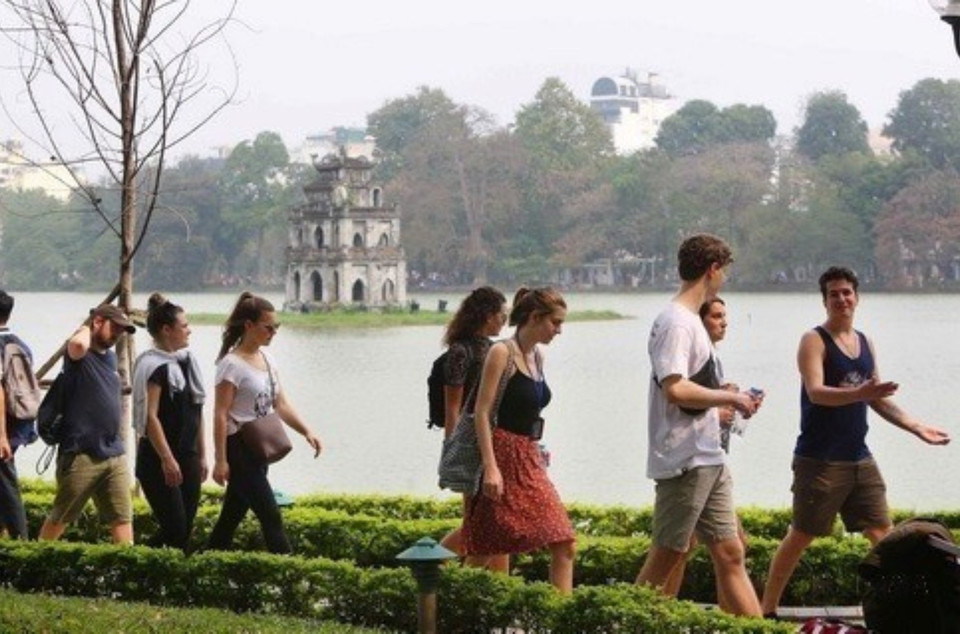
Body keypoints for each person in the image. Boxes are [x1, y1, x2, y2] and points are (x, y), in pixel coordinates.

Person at [760, 266, 951, 617]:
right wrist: (860, 391)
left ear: (857, 297)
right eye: (834, 294)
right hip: (819, 459)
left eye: (847, 292)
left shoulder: (865, 342)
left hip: (859, 457)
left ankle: (907, 613)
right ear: (825, 300)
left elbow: (875, 397)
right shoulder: (814, 340)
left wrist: (916, 427)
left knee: (885, 537)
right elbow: (817, 393)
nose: (842, 299)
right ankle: (767, 610)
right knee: (802, 534)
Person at [636, 234, 763, 617]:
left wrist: (726, 394)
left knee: (730, 551)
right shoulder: (677, 323)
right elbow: (675, 388)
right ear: (713, 269)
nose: (723, 278)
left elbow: (692, 384)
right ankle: (628, 622)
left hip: (709, 455)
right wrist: (732, 399)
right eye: (723, 270)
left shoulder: (690, 321)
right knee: (669, 551)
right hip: (684, 457)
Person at [462, 287, 576, 593]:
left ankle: (560, 618)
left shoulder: (537, 356)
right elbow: (482, 413)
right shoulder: (502, 353)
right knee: (485, 546)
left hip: (527, 454)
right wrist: (490, 467)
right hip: (501, 452)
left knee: (563, 539)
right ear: (535, 318)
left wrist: (536, 448)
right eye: (555, 323)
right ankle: (450, 611)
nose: (559, 330)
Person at [208, 292, 322, 554]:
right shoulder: (231, 365)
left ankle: (201, 567)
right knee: (271, 517)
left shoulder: (268, 360)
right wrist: (221, 460)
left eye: (277, 327)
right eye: (268, 327)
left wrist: (307, 431)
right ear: (249, 326)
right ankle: (289, 577)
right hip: (238, 447)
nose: (273, 332)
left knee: (230, 518)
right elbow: (220, 414)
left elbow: (280, 404)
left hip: (259, 448)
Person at [661, 295, 753, 601]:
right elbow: (679, 401)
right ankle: (654, 616)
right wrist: (724, 404)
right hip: (691, 460)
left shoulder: (710, 357)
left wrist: (730, 400)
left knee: (731, 549)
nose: (723, 322)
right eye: (715, 316)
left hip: (712, 459)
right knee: (676, 551)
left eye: (724, 316)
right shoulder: (685, 349)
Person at [39, 303, 137, 544]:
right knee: (60, 517)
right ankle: (31, 565)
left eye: (122, 330)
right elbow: (78, 344)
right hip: (81, 452)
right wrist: (89, 322)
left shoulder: (111, 359)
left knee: (123, 518)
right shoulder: (77, 357)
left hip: (113, 453)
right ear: (97, 322)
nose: (118, 334)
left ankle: (130, 570)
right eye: (114, 327)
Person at [437, 286, 510, 572]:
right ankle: (429, 565)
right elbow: (452, 406)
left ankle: (499, 587)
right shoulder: (461, 351)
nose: (503, 320)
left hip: (497, 441)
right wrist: (453, 450)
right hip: (470, 444)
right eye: (500, 314)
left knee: (498, 521)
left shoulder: (497, 348)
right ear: (486, 315)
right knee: (475, 523)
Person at [132, 293, 206, 550]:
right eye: (184, 326)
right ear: (166, 330)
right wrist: (167, 458)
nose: (189, 331)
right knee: (174, 528)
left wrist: (203, 455)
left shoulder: (187, 363)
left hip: (187, 453)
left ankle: (172, 581)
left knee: (185, 529)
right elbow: (150, 416)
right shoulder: (153, 366)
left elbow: (197, 411)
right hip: (157, 458)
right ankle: (136, 568)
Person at [0, 290, 35, 539]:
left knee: (7, 486)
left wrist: (1, 435)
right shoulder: (20, 345)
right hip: (19, 426)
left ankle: (22, 545)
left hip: (4, 430)